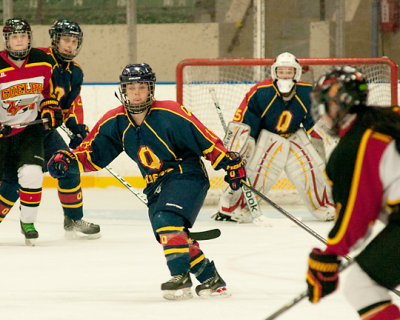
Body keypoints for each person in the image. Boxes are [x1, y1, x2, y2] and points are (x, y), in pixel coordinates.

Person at [47, 63, 246, 300]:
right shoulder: (115, 121)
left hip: (186, 175)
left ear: (151, 88)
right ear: (123, 90)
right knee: (170, 233)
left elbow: (205, 140)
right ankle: (212, 280)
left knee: (166, 219)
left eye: (142, 86)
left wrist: (228, 162)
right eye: (131, 87)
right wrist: (67, 160)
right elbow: (92, 153)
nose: (137, 92)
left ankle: (180, 277)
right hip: (154, 185)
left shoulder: (171, 112)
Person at [305, 66, 400, 319]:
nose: (321, 113)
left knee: (362, 286)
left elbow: (356, 217)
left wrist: (330, 255)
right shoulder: (388, 117)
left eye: (324, 104)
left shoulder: (355, 144)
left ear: (338, 104)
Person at [0, 19, 100, 239]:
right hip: (20, 131)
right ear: (54, 39)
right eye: (65, 39)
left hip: (44, 133)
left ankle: (73, 219)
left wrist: (76, 128)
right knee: (12, 185)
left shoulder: (75, 72)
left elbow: (70, 105)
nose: (69, 46)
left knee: (70, 168)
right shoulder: (39, 58)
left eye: (74, 41)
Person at [213, 52, 335, 223]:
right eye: (281, 71)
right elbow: (246, 123)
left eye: (289, 71)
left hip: (294, 138)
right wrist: (241, 148)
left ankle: (326, 207)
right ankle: (231, 208)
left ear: (296, 73)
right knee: (255, 174)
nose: (285, 75)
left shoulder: (307, 92)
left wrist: (331, 135)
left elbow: (314, 123)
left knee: (311, 171)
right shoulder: (260, 92)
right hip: (267, 139)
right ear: (274, 72)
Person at [0, 18, 63, 245]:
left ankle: (28, 223)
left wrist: (50, 107)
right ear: (7, 40)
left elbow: (47, 93)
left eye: (23, 36)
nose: (19, 41)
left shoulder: (42, 61)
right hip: (2, 134)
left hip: (29, 130)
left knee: (33, 174)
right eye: (15, 37)